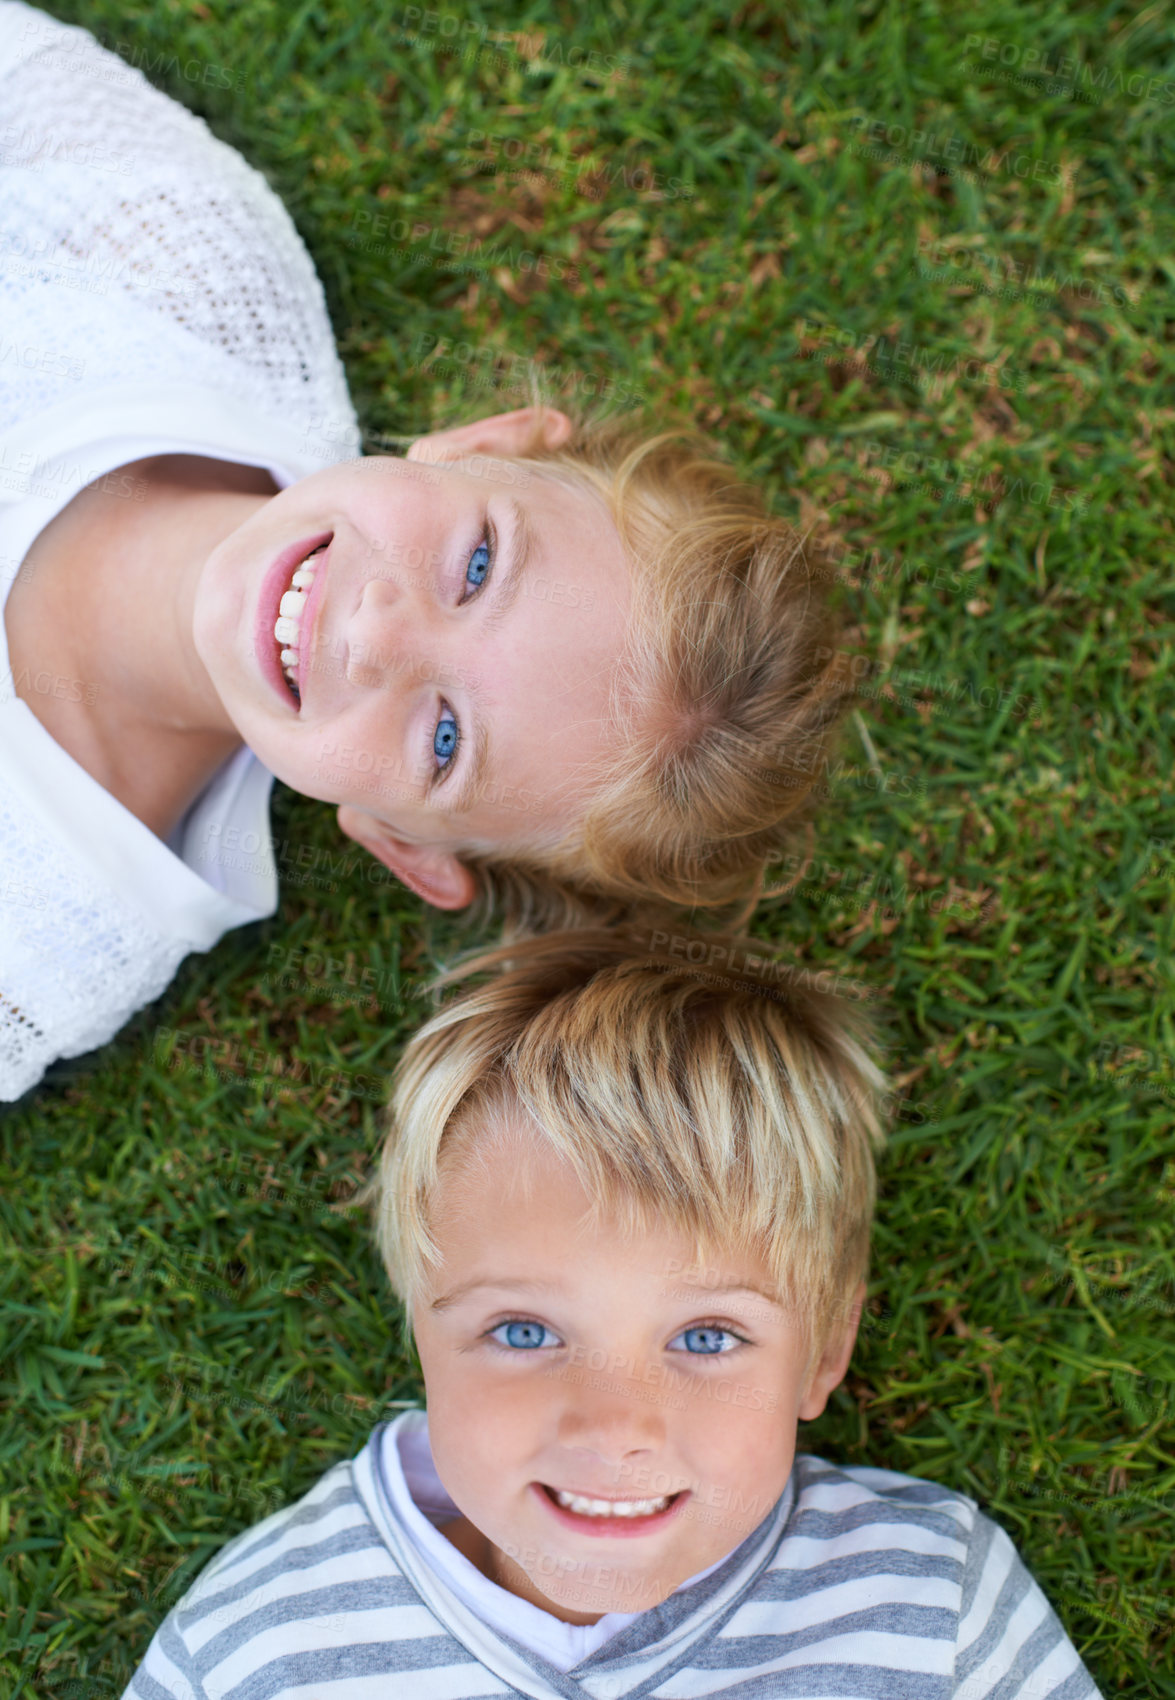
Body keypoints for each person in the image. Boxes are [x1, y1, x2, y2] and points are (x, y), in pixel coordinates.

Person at [0, 2, 841, 1101]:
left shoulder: (44, 949)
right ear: (481, 446)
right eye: (478, 566)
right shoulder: (188, 279)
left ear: (402, 843)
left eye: (444, 739)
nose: (378, 634)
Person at [124, 932, 1100, 1699]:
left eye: (706, 1337)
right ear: (422, 1328)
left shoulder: (928, 1599)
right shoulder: (260, 1639)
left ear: (823, 1350)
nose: (614, 1428)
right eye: (524, 1331)